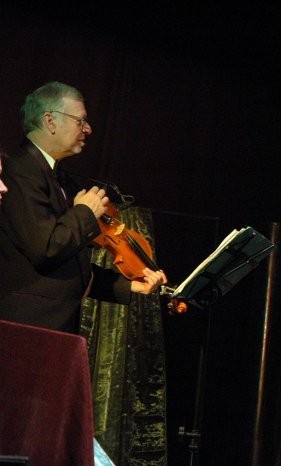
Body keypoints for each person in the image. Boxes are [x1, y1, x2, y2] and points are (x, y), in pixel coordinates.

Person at [0, 81, 167, 334]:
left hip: (50, 324)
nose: (88, 128)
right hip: (28, 325)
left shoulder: (56, 175)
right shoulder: (21, 170)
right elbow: (46, 249)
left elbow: (69, 265)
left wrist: (130, 285)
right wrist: (85, 212)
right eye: (81, 121)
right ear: (50, 121)